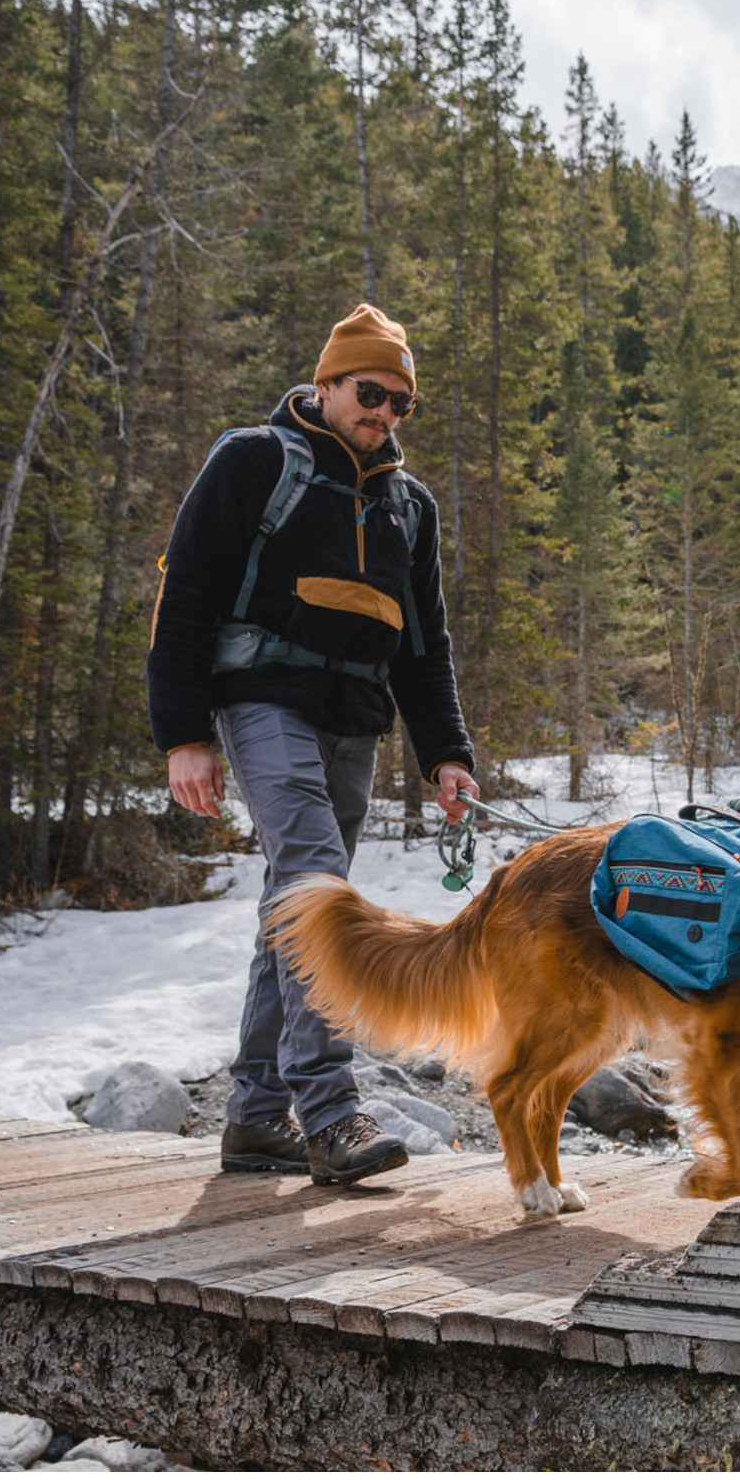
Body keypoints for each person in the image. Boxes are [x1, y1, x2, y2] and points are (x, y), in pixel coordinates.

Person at [147, 302, 479, 1184]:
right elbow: (184, 598)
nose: (384, 414)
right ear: (328, 382)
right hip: (261, 700)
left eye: (400, 403)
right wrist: (184, 732)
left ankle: (255, 1117)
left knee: (290, 905)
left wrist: (448, 754)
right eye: (371, 393)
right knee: (319, 888)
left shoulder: (410, 506)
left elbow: (424, 644)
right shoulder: (254, 460)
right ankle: (329, 1114)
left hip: (354, 722)